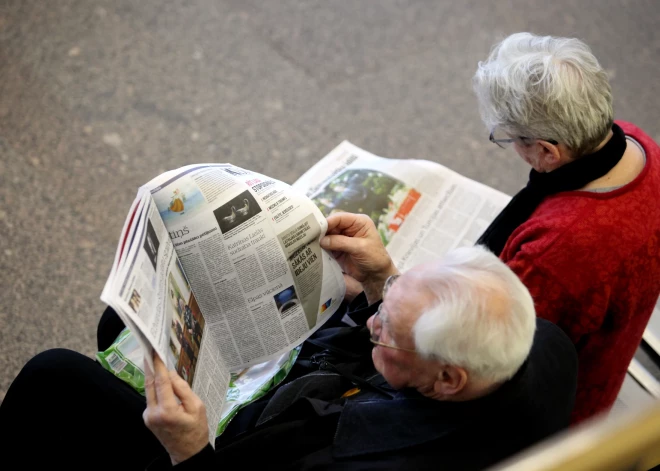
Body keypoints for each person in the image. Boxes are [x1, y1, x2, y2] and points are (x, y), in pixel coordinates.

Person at [0, 213, 577, 470]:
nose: (374, 320)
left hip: (232, 449)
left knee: (55, 377)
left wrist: (190, 451)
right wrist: (380, 281)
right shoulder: (539, 347)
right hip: (308, 394)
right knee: (121, 329)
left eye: (388, 329)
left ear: (449, 380)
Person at [472, 32, 660, 424]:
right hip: (606, 366)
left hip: (554, 414)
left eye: (509, 137)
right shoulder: (640, 145)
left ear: (546, 152)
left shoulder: (553, 254)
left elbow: (487, 357)